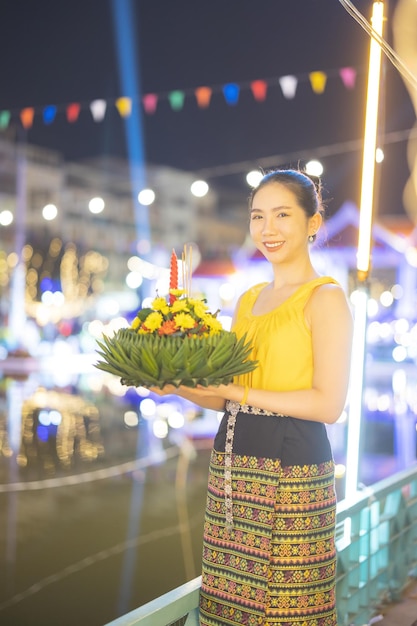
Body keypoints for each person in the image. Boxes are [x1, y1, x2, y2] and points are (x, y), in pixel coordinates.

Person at [152, 168, 353, 625]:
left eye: (282, 215)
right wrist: (171, 384)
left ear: (313, 223)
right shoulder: (248, 300)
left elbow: (329, 404)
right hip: (232, 468)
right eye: (258, 216)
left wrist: (236, 390)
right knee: (228, 605)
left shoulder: (325, 299)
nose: (268, 229)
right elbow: (228, 397)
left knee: (287, 606)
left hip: (293, 471)